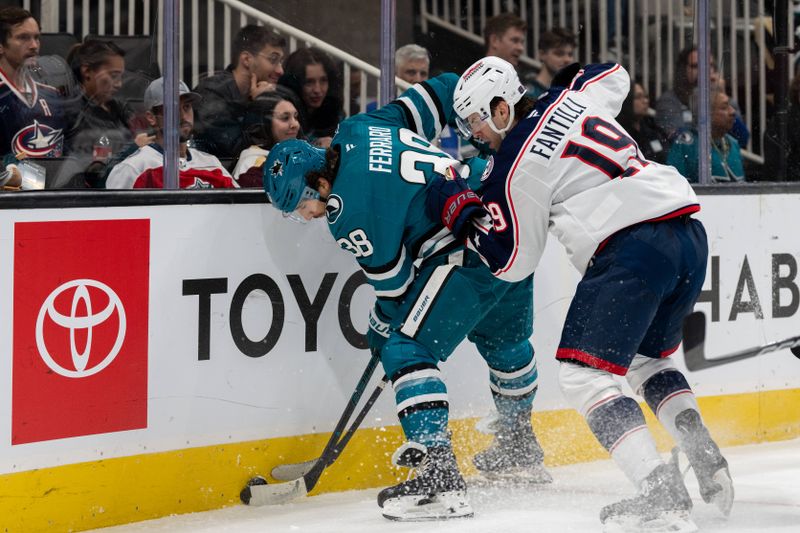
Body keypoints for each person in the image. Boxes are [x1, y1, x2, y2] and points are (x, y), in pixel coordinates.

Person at [428, 57, 733, 531]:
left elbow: (513, 263)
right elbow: (613, 74)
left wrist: (460, 214)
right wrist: (570, 77)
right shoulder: (574, 96)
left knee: (581, 375)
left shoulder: (516, 165)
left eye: (474, 121)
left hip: (632, 247)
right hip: (686, 234)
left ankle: (660, 489)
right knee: (646, 359)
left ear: (501, 108)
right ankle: (705, 455)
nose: (474, 134)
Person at [262, 73, 548, 521]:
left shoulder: (348, 213)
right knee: (504, 343)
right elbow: (444, 89)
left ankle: (439, 477)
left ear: (317, 183)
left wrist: (380, 326)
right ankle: (521, 450)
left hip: (466, 251)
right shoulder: (359, 128)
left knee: (405, 348)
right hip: (504, 223)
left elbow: (396, 293)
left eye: (302, 207)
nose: (309, 216)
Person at [106, 77, 236, 189]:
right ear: (151, 117)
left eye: (186, 107)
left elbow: (241, 209)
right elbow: (113, 216)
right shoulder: (134, 168)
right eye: (173, 108)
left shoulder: (211, 163)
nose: (183, 116)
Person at [193, 25, 286, 158]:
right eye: (273, 60)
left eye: (281, 62)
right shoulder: (212, 91)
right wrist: (258, 106)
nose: (280, 70)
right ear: (246, 59)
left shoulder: (265, 92)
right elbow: (236, 151)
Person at [64, 39, 135, 187]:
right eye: (113, 75)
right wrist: (133, 147)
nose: (119, 84)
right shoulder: (70, 110)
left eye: (121, 77)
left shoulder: (119, 108)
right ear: (87, 72)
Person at [0, 7, 66, 160]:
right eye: (23, 38)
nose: (34, 46)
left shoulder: (53, 95)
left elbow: (63, 154)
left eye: (37, 38)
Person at [655, 45, 749, 147]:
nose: (704, 71)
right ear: (683, 70)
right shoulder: (669, 100)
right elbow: (680, 140)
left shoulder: (725, 99)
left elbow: (742, 138)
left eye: (709, 65)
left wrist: (721, 98)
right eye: (696, 66)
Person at [667, 85, 745, 183]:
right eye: (724, 107)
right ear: (706, 113)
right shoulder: (686, 145)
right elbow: (675, 186)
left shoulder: (733, 144)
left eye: (731, 106)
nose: (733, 112)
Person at [232, 87, 301, 187]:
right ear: (264, 124)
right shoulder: (252, 163)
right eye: (285, 118)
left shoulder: (299, 154)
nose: (295, 124)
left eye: (295, 117)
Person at [279, 47, 343, 148]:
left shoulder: (334, 111)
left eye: (323, 80)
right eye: (309, 82)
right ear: (295, 84)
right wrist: (315, 145)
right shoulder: (283, 112)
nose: (317, 90)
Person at [616, 79, 670, 163]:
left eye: (646, 97)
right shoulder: (618, 132)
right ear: (626, 100)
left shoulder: (653, 129)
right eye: (638, 97)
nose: (645, 101)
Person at [525, 27, 576, 99]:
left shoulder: (574, 92)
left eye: (570, 54)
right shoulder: (527, 94)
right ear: (542, 54)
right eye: (559, 54)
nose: (567, 59)